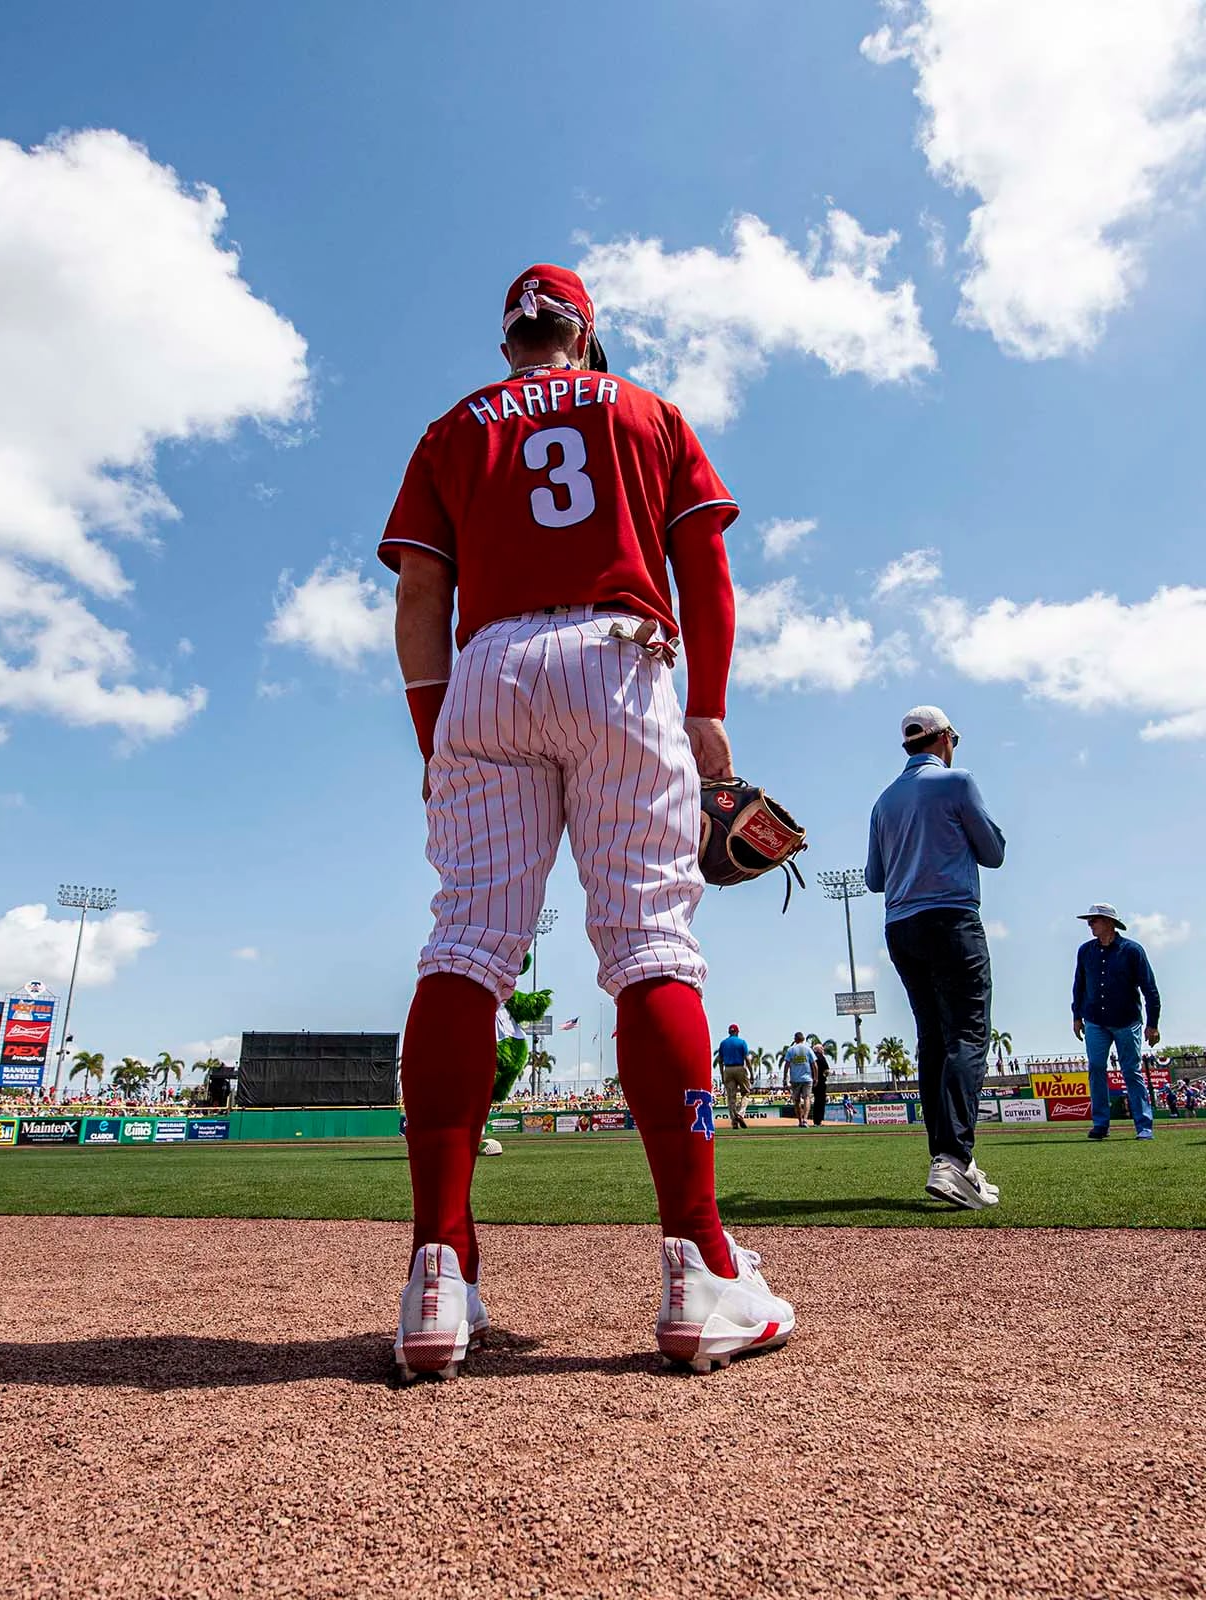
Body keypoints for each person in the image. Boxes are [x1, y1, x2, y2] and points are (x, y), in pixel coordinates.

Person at [378, 263, 791, 1381]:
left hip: (489, 666)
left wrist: (437, 738)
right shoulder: (644, 409)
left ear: (509, 336)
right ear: (584, 333)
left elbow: (421, 599)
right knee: (651, 940)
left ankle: (436, 1274)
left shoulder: (452, 428)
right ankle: (701, 1266)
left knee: (466, 942)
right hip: (620, 659)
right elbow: (700, 558)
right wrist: (706, 710)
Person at [866, 704, 1007, 1208]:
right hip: (951, 919)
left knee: (933, 1040)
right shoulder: (958, 782)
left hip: (901, 927)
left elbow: (874, 879)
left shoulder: (883, 802)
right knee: (966, 1035)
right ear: (945, 738)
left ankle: (954, 1162)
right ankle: (952, 1157)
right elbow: (993, 852)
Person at [1070, 902, 1163, 1141]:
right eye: (1090, 921)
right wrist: (1076, 1016)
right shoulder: (1085, 951)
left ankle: (1144, 1125)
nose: (1090, 924)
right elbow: (1079, 985)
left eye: (1095, 920)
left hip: (1126, 1020)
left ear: (1110, 922)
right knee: (1096, 1068)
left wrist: (1153, 1023)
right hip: (1094, 1020)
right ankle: (1100, 1124)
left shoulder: (1132, 950)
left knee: (1131, 1071)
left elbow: (1149, 988)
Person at [715, 1024, 752, 1129]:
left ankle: (734, 1121)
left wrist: (722, 1074)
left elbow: (720, 1061)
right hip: (739, 1068)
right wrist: (751, 1073)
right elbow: (747, 1059)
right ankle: (740, 1114)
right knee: (746, 1093)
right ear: (737, 1032)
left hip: (728, 1069)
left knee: (731, 1097)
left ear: (729, 1032)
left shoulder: (723, 1043)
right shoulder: (741, 1042)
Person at [782, 1033, 815, 1125]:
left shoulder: (791, 1050)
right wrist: (815, 1077)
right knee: (807, 1098)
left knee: (796, 1101)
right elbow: (814, 1064)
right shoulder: (808, 1049)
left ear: (795, 1039)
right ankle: (805, 1119)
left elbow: (786, 1065)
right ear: (803, 1039)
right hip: (807, 1078)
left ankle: (800, 1121)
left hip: (795, 1079)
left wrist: (785, 1078)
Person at [809, 1036, 832, 1126]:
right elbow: (826, 1070)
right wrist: (825, 1075)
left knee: (815, 1101)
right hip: (820, 1082)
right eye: (822, 1048)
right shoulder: (821, 1057)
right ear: (819, 1049)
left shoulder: (811, 1057)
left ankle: (815, 1120)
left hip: (812, 1081)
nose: (823, 1050)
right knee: (820, 1101)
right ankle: (818, 1121)